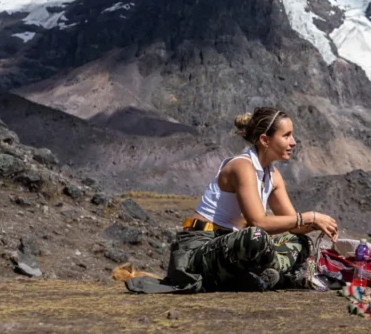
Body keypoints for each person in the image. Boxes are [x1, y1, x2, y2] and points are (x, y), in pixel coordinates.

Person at [126, 107, 339, 294]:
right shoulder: (242, 167)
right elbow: (259, 223)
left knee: (301, 242)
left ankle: (263, 275)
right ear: (265, 140)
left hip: (233, 248)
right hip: (201, 247)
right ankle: (275, 275)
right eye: (287, 136)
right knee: (256, 236)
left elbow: (294, 224)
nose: (293, 142)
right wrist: (309, 217)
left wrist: (317, 224)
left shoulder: (272, 176)